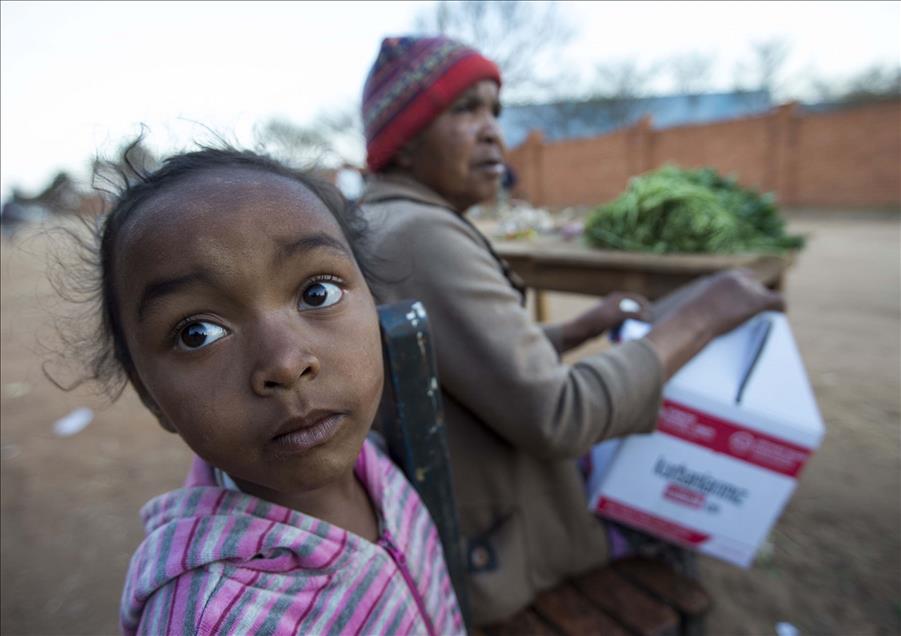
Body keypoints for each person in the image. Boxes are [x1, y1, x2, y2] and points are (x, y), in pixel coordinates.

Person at [358, 36, 785, 625]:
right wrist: (703, 313)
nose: (493, 133)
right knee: (684, 508)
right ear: (401, 143)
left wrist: (579, 329)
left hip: (482, 519)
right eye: (465, 110)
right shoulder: (421, 235)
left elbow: (459, 366)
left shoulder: (384, 220)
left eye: (495, 111)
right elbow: (560, 416)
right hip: (508, 550)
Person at [56, 145, 464, 635]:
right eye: (197, 333)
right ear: (148, 394)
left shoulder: (377, 459)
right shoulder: (214, 620)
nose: (286, 364)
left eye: (319, 292)